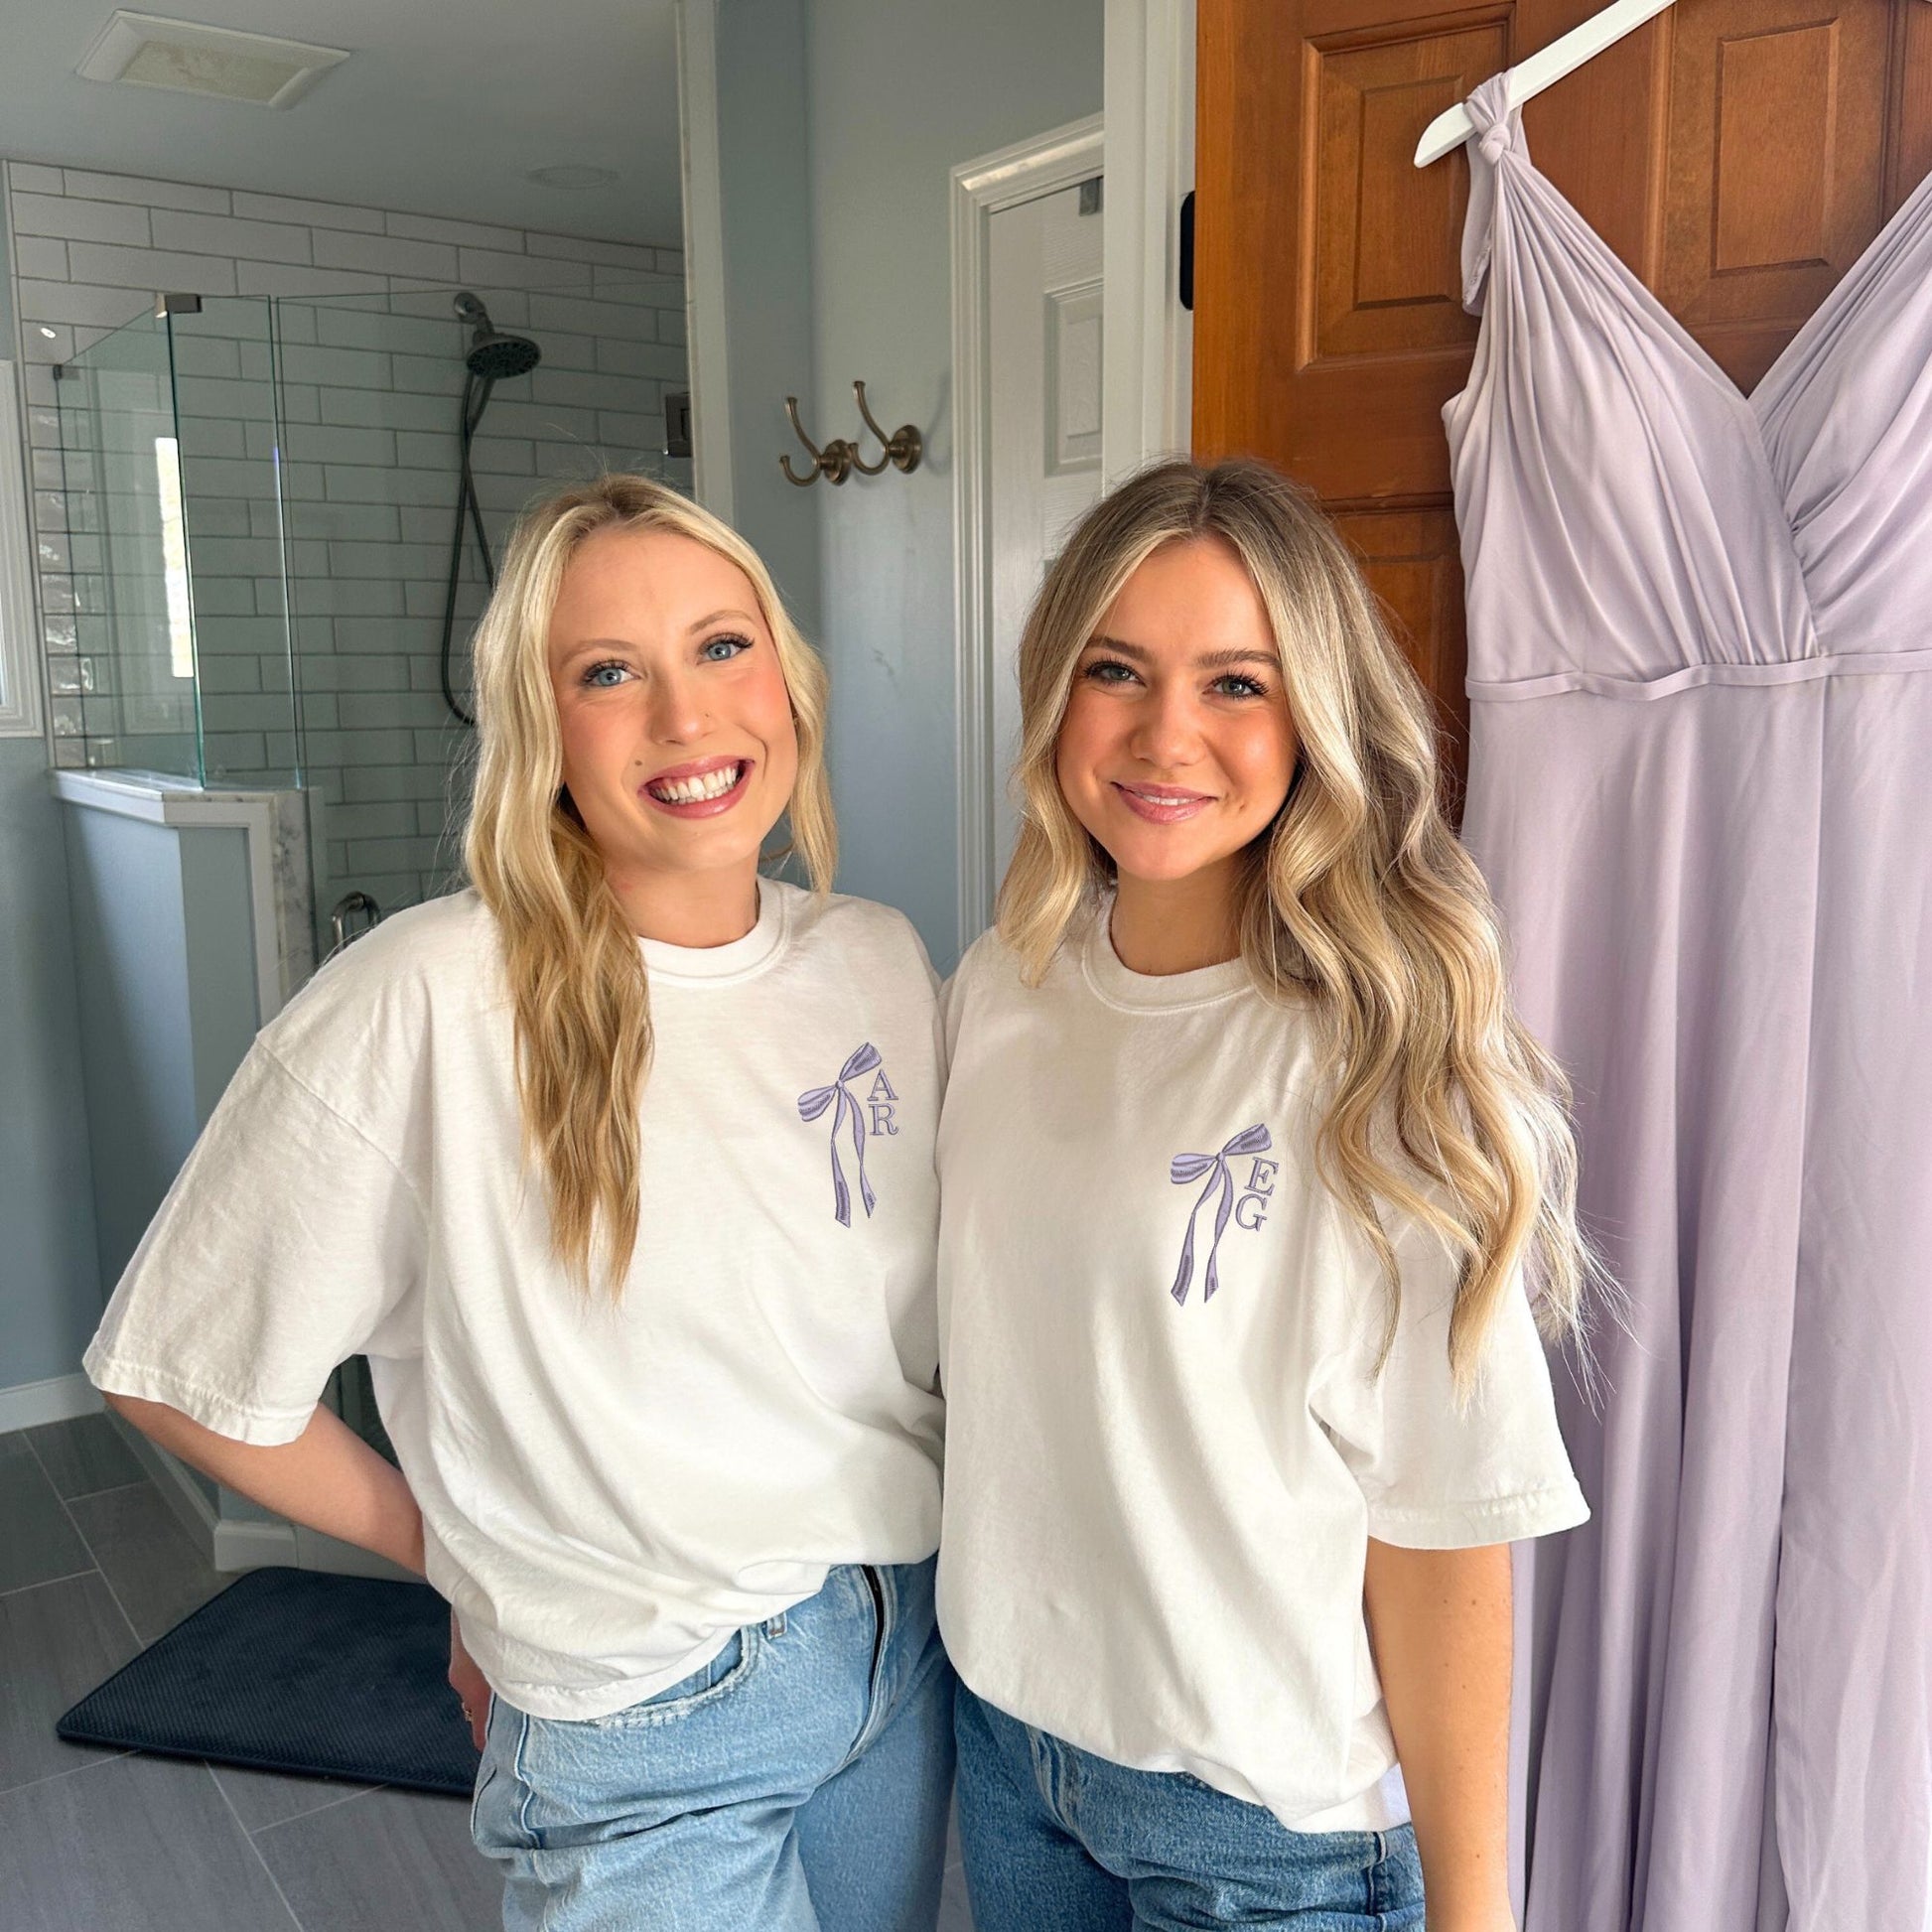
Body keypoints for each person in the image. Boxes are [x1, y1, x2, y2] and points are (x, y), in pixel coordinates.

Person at [85, 475, 954, 1932]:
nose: (686, 717)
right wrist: (462, 1553)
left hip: (894, 1645)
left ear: (788, 678)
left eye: (722, 645)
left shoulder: (874, 962)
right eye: (608, 673)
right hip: (644, 1710)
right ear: (541, 733)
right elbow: (181, 1374)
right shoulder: (424, 995)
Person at [936, 458, 1592, 1931]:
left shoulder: (1388, 1066)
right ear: (1055, 691)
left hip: (1263, 1831)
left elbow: (1441, 1528)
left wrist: (1473, 1914)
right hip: (1013, 1745)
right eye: (1118, 669)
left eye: (1237, 681)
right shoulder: (1001, 988)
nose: (1167, 733)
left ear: (1312, 714)